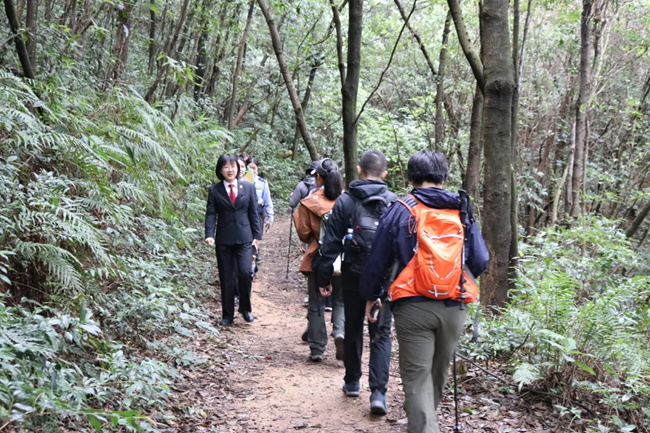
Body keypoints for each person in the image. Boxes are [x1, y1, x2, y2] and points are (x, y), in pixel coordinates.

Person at [360, 151, 488, 433]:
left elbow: (379, 258)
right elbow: (480, 260)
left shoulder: (401, 208)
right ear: (444, 176)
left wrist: (372, 293)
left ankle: (423, 426)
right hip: (454, 305)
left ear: (411, 176)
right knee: (436, 377)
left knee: (417, 381)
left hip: (413, 305)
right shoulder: (461, 208)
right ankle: (425, 424)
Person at [317, 150, 396, 414]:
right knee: (381, 333)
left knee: (352, 326)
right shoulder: (395, 202)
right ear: (384, 174)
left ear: (359, 170)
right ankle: (378, 394)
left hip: (352, 274)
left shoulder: (346, 201)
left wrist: (324, 276)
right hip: (383, 280)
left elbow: (330, 243)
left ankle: (352, 381)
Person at [293, 158, 345, 362]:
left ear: (319, 177)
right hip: (344, 258)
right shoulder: (347, 200)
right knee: (340, 300)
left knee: (316, 304)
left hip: (318, 257)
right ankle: (340, 331)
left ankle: (317, 348)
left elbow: (303, 233)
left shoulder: (308, 203)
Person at [205, 154, 262, 326]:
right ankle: (227, 315)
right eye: (226, 167)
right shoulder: (214, 190)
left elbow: (254, 212)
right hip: (224, 240)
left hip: (245, 238)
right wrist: (209, 234)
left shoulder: (248, 187)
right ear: (220, 170)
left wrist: (257, 236)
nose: (230, 170)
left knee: (245, 272)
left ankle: (245, 308)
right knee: (227, 277)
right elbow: (211, 214)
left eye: (233, 166)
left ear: (238, 169)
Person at [247, 157, 274, 238]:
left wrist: (270, 217)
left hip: (258, 211)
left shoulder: (262, 183)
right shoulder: (241, 181)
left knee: (257, 236)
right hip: (245, 211)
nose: (251, 170)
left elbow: (267, 199)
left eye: (253, 168)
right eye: (249, 168)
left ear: (257, 169)